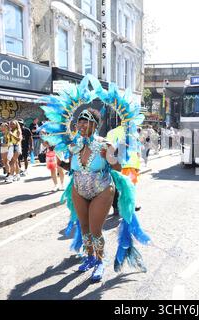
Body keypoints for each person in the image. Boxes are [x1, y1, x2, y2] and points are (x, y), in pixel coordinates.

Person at [39, 74, 151, 284]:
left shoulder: (105, 144)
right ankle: (90, 257)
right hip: (79, 189)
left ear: (94, 125)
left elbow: (117, 167)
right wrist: (56, 161)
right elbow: (70, 168)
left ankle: (99, 261)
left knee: (96, 228)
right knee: (84, 228)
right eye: (79, 122)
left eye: (85, 122)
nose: (80, 125)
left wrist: (109, 156)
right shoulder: (74, 145)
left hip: (101, 189)